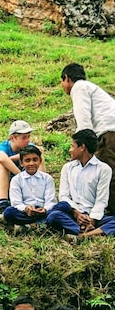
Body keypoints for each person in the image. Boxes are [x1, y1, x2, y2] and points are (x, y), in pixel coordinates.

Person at [61, 63, 115, 214]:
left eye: (62, 81)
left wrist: (82, 148)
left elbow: (84, 122)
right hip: (111, 130)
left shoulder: (79, 87)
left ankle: (109, 215)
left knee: (108, 174)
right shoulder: (91, 88)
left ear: (67, 78)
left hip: (108, 133)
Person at [46, 129, 115, 240]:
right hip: (72, 213)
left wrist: (91, 219)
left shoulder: (103, 169)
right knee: (53, 216)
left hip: (93, 216)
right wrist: (76, 213)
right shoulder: (68, 168)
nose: (70, 150)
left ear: (82, 147)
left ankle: (82, 235)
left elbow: (101, 200)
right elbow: (63, 196)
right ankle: (90, 231)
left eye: (72, 146)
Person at [3, 144, 55, 233]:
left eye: (35, 160)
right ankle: (40, 225)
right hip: (25, 213)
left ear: (40, 160)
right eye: (27, 160)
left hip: (43, 212)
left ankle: (28, 226)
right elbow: (16, 203)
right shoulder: (17, 180)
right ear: (21, 163)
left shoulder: (47, 178)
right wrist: (26, 209)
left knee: (62, 207)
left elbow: (51, 201)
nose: (31, 163)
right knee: (8, 212)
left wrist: (44, 209)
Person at [0, 120, 33, 221]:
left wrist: (14, 158)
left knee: (38, 158)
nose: (27, 140)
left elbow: (38, 152)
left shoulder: (29, 146)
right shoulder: (3, 146)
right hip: (1, 187)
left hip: (23, 188)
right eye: (24, 138)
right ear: (12, 138)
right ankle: (3, 205)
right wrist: (20, 175)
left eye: (28, 137)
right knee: (2, 164)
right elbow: (1, 158)